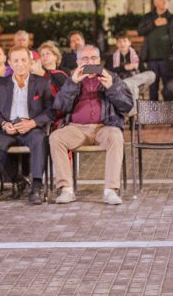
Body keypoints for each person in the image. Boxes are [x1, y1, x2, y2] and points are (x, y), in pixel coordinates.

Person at [50, 45, 133, 205]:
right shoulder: (72, 79)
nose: (90, 62)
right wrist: (72, 84)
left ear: (99, 60)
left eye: (93, 58)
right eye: (85, 59)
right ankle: (66, 189)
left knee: (116, 136)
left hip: (105, 126)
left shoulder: (112, 77)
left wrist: (111, 87)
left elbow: (127, 105)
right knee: (56, 137)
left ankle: (110, 191)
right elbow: (60, 107)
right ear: (78, 62)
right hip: (77, 128)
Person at [0, 47, 53, 204]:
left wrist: (32, 123)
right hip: (9, 126)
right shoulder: (1, 84)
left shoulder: (42, 83)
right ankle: (18, 179)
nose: (20, 64)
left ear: (30, 62)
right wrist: (4, 124)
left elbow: (51, 111)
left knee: (39, 139)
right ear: (10, 63)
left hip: (31, 127)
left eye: (23, 60)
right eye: (16, 61)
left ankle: (36, 186)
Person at [138, 0, 173, 101]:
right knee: (153, 87)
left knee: (168, 86)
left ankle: (169, 109)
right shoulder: (148, 17)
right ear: (155, 2)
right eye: (162, 0)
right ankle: (154, 110)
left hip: (167, 57)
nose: (165, 2)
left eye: (166, 0)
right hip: (151, 57)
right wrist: (154, 24)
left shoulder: (172, 18)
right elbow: (140, 31)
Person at [105, 32, 156, 110]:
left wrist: (136, 67)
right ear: (117, 44)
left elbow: (143, 71)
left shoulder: (136, 56)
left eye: (124, 41)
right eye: (119, 42)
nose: (122, 44)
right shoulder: (111, 58)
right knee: (133, 87)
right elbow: (108, 72)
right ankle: (133, 114)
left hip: (135, 80)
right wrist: (124, 68)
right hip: (119, 83)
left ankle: (128, 84)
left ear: (129, 43)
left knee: (151, 74)